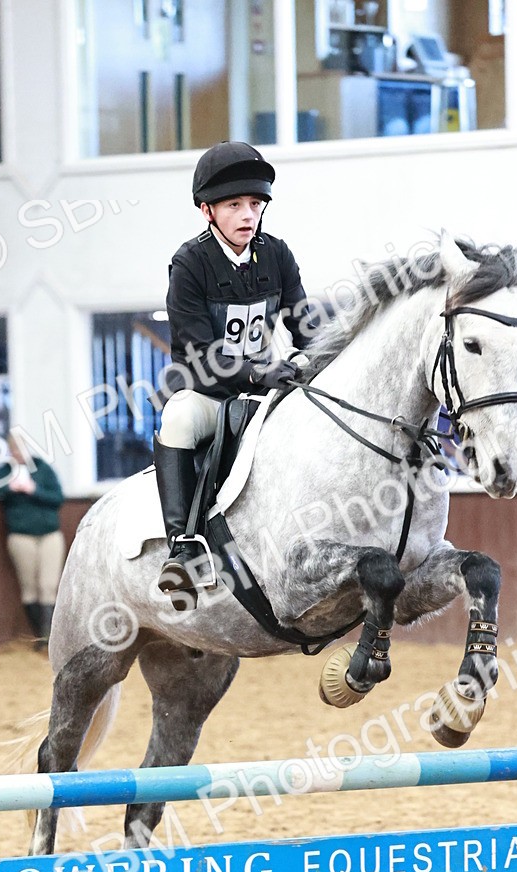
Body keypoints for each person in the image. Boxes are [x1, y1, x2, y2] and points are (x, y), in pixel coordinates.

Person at [155, 140, 317, 607]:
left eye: (255, 204)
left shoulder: (277, 254)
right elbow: (199, 353)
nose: (248, 215)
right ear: (206, 210)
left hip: (264, 393)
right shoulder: (189, 263)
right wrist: (260, 374)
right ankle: (183, 547)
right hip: (209, 393)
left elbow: (307, 327)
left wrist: (314, 361)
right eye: (234, 206)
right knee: (177, 418)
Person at [0, 435, 65, 650]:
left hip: (49, 534)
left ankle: (50, 638)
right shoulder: (4, 472)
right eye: (14, 450)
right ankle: (40, 637)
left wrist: (33, 490)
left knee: (48, 586)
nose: (18, 454)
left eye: (21, 449)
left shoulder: (43, 469)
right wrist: (8, 488)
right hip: (21, 535)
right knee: (30, 588)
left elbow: (57, 497)